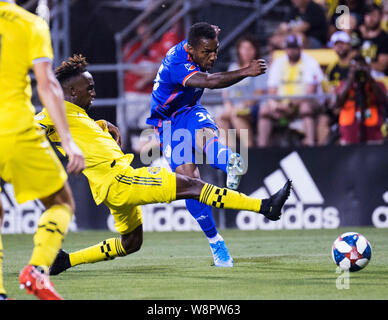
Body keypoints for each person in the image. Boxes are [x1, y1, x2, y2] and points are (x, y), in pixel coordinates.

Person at [33, 54, 292, 275]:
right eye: (88, 88)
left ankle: (65, 261)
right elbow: (32, 127)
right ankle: (264, 207)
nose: (94, 92)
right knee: (192, 185)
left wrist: (101, 124)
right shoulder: (53, 109)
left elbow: (76, 130)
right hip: (121, 180)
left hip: (112, 190)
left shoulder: (76, 115)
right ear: (72, 92)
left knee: (131, 243)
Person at [146, 22, 267, 267]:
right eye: (206, 52)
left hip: (190, 110)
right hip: (167, 121)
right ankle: (216, 243)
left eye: (215, 50)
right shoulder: (177, 65)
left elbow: (204, 36)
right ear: (191, 50)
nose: (212, 57)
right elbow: (210, 82)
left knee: (205, 136)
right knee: (189, 181)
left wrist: (212, 33)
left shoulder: (197, 43)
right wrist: (245, 71)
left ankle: (229, 162)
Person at [0, 0, 85, 300]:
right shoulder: (30, 24)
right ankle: (36, 270)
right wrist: (68, 140)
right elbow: (47, 84)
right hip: (12, 130)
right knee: (61, 202)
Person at [258, 34, 325, 147]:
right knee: (264, 110)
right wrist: (275, 104)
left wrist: (290, 104)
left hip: (306, 102)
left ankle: (311, 143)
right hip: (283, 105)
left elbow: (310, 93)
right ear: (285, 49)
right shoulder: (278, 63)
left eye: (294, 47)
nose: (292, 51)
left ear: (300, 48)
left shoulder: (310, 62)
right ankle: (262, 147)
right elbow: (272, 91)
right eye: (289, 48)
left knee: (306, 107)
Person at [217, 34, 267, 148]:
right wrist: (228, 106)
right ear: (239, 50)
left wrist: (242, 105)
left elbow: (259, 93)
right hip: (234, 107)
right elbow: (226, 91)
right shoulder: (233, 67)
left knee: (236, 115)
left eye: (250, 48)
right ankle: (230, 149)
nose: (247, 52)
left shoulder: (260, 66)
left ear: (255, 50)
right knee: (221, 118)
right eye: (244, 48)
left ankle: (248, 147)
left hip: (253, 107)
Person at [334, 54, 387, 144]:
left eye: (362, 67)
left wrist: (369, 77)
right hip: (349, 133)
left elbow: (382, 99)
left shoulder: (378, 84)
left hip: (373, 134)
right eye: (354, 68)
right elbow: (337, 103)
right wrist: (350, 79)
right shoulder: (344, 84)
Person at [317, 31, 354, 145]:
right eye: (336, 44)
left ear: (348, 45)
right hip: (337, 104)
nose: (339, 47)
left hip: (352, 104)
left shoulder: (354, 65)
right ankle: (321, 151)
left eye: (342, 43)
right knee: (323, 119)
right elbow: (329, 89)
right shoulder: (332, 68)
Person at [359, 4, 388, 77]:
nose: (371, 19)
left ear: (381, 17)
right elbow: (349, 56)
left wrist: (362, 64)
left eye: (374, 15)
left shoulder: (385, 38)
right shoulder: (358, 35)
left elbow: (381, 67)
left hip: (379, 78)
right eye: (368, 15)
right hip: (359, 75)